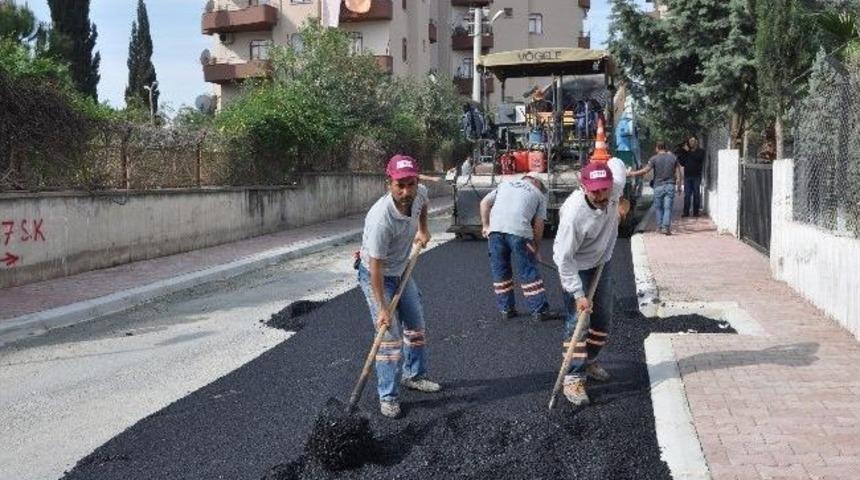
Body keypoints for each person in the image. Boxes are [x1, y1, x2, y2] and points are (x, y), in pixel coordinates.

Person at [356, 154, 441, 419]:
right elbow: (376, 269)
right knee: (389, 337)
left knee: (415, 324)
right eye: (399, 185)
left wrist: (423, 229)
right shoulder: (381, 219)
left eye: (410, 184)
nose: (406, 191)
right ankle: (388, 396)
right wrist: (382, 308)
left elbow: (423, 203)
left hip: (402, 268)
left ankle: (413, 375)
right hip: (377, 275)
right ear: (388, 183)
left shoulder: (420, 194)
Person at [552, 162, 619, 406]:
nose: (601, 195)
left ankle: (589, 360)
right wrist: (578, 294)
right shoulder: (574, 216)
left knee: (603, 318)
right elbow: (563, 259)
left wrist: (624, 204)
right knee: (578, 322)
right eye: (595, 191)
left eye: (605, 189)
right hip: (577, 268)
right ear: (583, 187)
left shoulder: (615, 188)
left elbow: (618, 164)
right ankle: (573, 377)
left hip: (603, 261)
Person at [480, 175, 560, 322]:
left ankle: (506, 309)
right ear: (536, 182)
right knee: (528, 271)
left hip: (495, 232)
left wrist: (485, 225)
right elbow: (539, 224)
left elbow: (484, 203)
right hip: (520, 234)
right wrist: (536, 248)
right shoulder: (538, 194)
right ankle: (539, 311)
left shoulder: (505, 185)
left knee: (500, 271)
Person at [628, 142, 682, 235]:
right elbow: (678, 173)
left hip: (658, 186)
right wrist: (679, 186)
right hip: (670, 185)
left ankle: (659, 227)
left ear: (657, 148)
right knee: (668, 208)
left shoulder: (654, 158)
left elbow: (645, 170)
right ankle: (666, 228)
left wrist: (632, 173)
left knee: (659, 208)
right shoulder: (673, 157)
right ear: (665, 148)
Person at [680, 136, 705, 217]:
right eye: (690, 141)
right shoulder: (686, 152)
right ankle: (686, 212)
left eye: (693, 141)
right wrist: (682, 152)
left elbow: (698, 159)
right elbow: (682, 163)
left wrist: (689, 151)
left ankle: (696, 212)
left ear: (696, 142)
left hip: (696, 176)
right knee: (687, 195)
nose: (691, 142)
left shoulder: (700, 151)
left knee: (696, 195)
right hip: (687, 176)